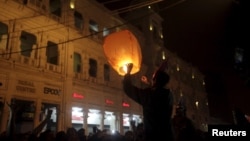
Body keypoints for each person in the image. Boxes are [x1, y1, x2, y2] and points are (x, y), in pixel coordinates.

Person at [123, 61, 174, 141]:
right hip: (167, 135)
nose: (152, 78)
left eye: (153, 77)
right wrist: (150, 83)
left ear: (155, 80)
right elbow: (158, 93)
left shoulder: (148, 95)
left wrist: (128, 72)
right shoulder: (169, 94)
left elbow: (128, 89)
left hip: (152, 136)